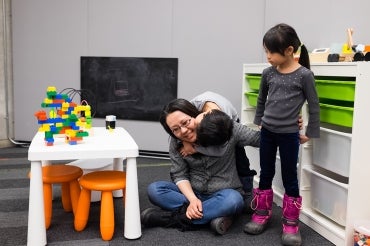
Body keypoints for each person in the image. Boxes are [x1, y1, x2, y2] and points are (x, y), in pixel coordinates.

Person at [243, 23, 320, 246]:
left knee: (289, 177)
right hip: (267, 131)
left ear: (288, 50)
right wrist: (258, 121)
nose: (267, 56)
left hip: (288, 135)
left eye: (270, 51)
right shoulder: (268, 73)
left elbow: (314, 106)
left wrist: (310, 133)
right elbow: (261, 99)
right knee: (265, 173)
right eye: (265, 51)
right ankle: (262, 213)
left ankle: (291, 222)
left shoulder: (304, 75)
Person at [140, 99, 260, 235]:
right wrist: (192, 199)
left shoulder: (226, 128)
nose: (184, 131)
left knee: (233, 200)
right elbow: (179, 174)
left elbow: (259, 139)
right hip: (192, 193)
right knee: (155, 190)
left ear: (195, 115)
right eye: (175, 129)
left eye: (185, 122)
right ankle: (212, 215)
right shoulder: (176, 141)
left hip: (224, 193)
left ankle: (172, 218)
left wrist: (268, 124)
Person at [181, 91, 257, 206]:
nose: (192, 128)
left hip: (229, 124)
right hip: (212, 120)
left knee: (241, 161)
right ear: (204, 113)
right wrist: (185, 141)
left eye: (195, 126)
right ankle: (212, 204)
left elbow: (221, 150)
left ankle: (246, 193)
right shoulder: (193, 106)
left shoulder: (228, 125)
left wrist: (195, 149)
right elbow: (177, 121)